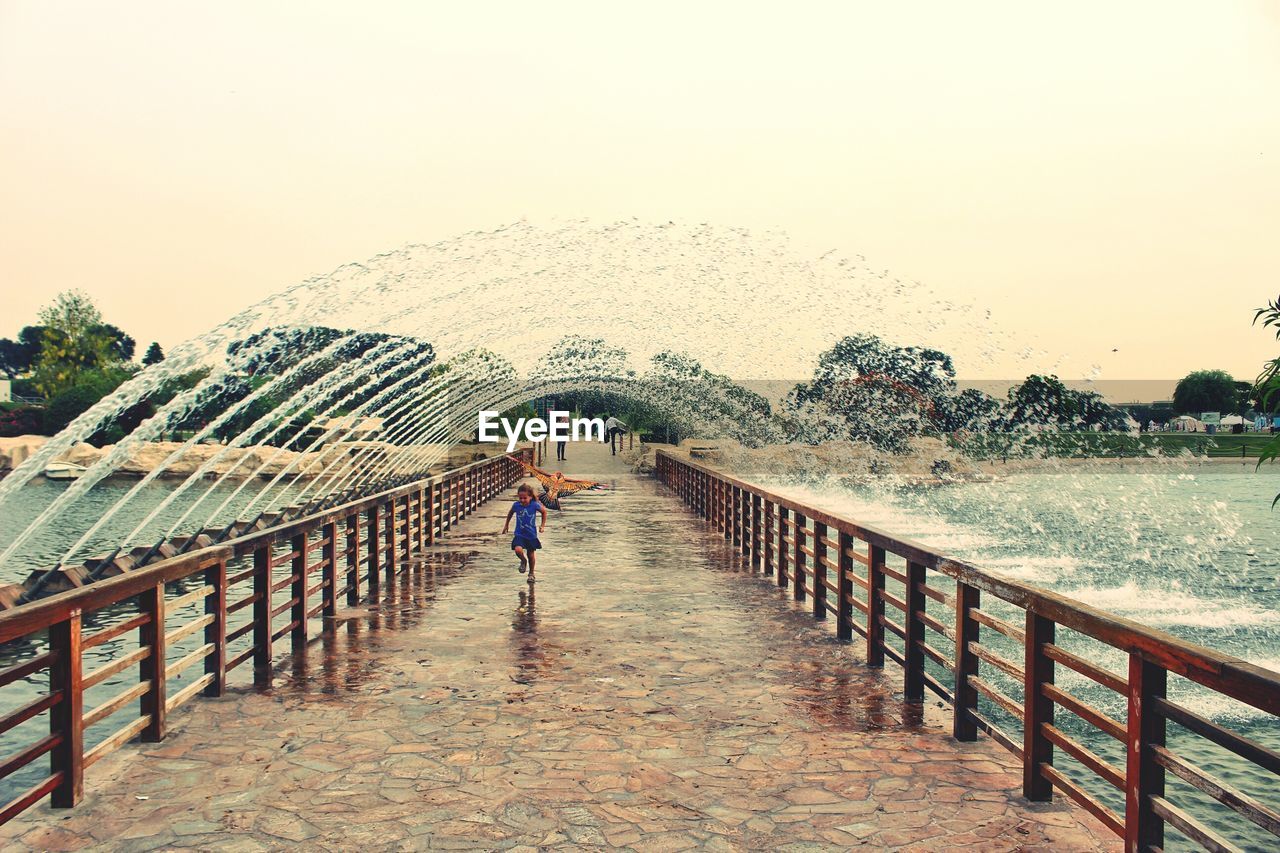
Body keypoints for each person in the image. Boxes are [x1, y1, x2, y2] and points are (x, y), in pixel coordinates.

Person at [502, 483, 547, 576]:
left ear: (530, 497)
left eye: (525, 498)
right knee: (518, 550)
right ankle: (523, 560)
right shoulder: (516, 505)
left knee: (531, 555)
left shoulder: (534, 505)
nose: (522, 500)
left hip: (531, 534)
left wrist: (542, 525)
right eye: (520, 498)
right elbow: (510, 513)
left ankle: (531, 573)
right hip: (519, 533)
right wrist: (506, 525)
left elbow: (544, 512)